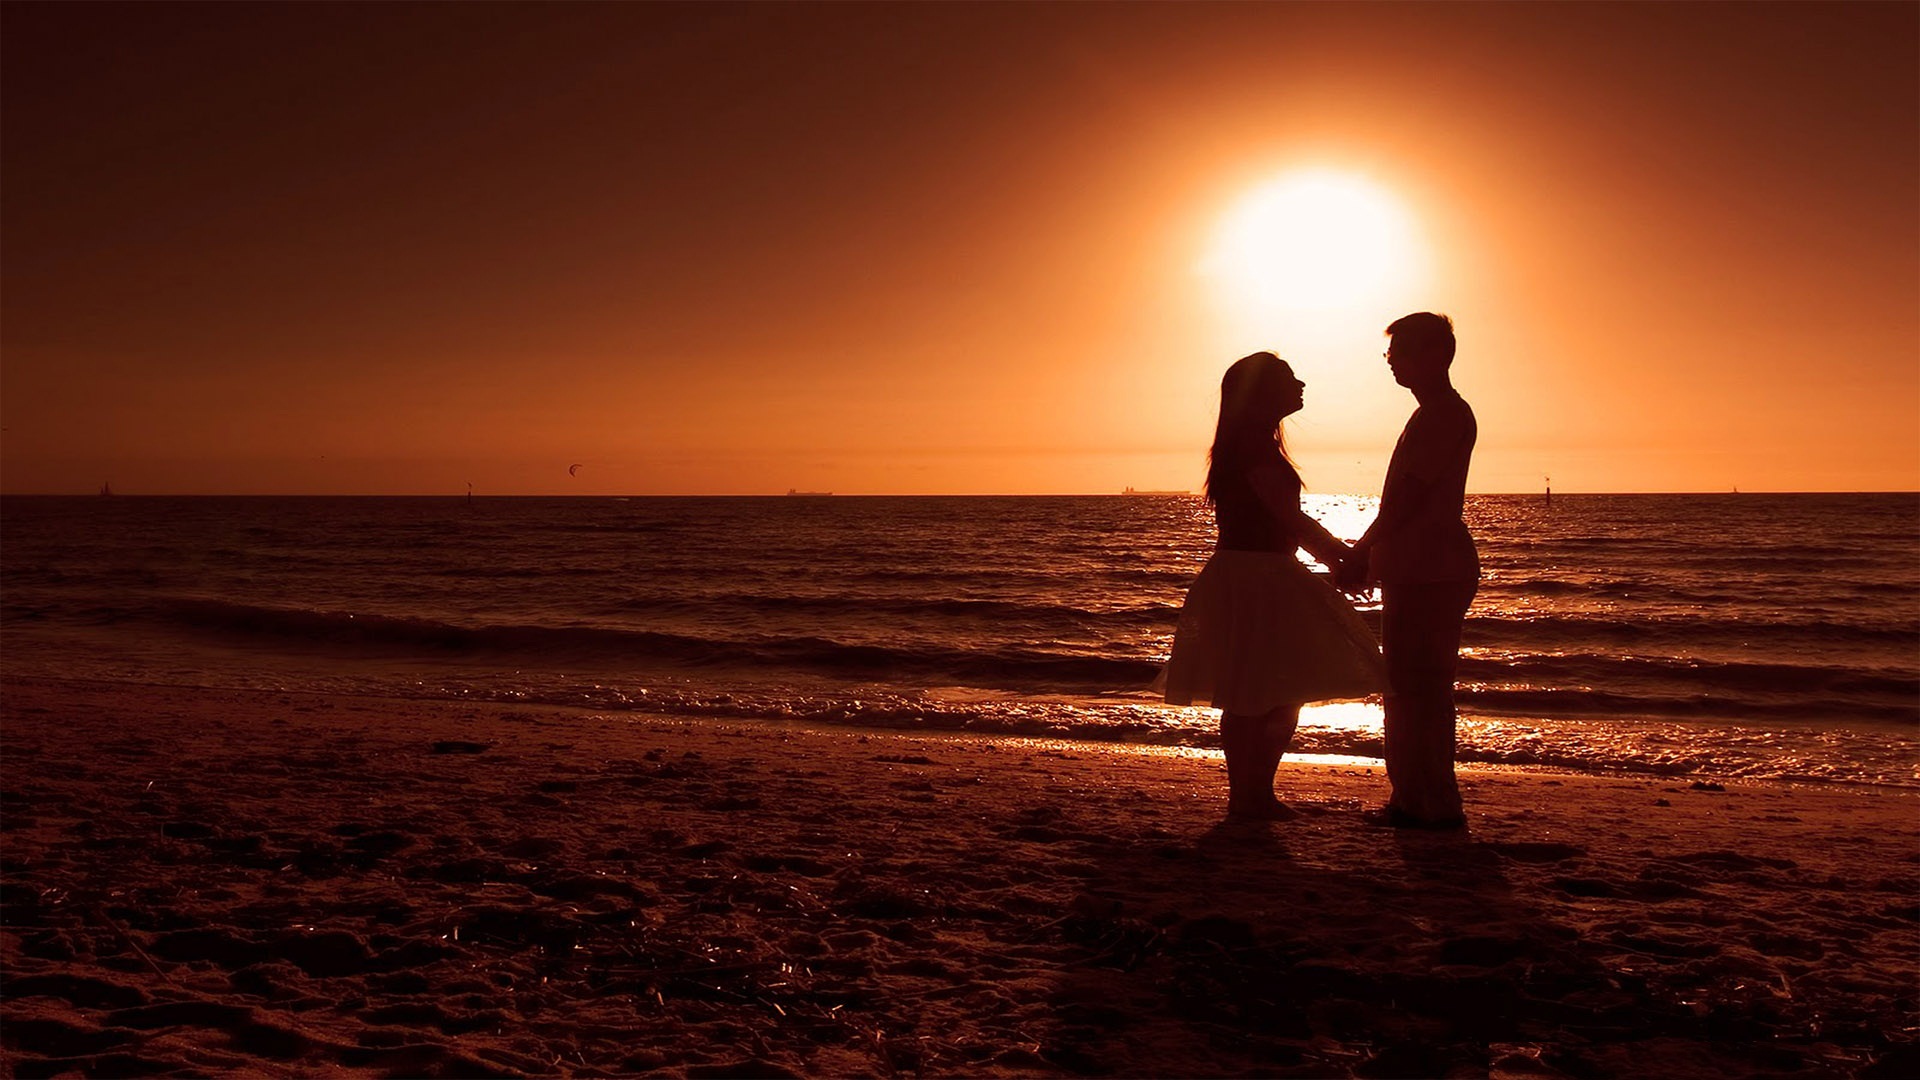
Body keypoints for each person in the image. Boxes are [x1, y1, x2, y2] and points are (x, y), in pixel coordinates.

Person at [1162, 352, 1386, 821]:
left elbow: (1288, 522)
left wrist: (1342, 560)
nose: (1300, 384)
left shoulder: (1251, 444)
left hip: (1258, 573)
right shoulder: (1251, 448)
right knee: (1259, 692)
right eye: (1289, 379)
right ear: (1263, 392)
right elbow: (1291, 520)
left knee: (1270, 690)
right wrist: (1344, 560)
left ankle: (1253, 794)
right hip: (1256, 576)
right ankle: (1249, 796)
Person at [1336, 313, 1479, 829]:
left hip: (1432, 569)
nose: (1390, 360)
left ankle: (1431, 801)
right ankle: (1414, 797)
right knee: (1411, 685)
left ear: (1433, 355)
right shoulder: (1432, 414)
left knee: (1420, 687)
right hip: (1418, 566)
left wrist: (1361, 549)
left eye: (1398, 352)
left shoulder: (1442, 414)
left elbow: (1406, 501)